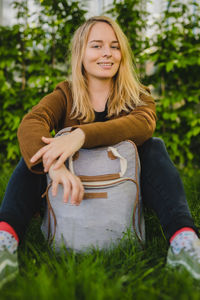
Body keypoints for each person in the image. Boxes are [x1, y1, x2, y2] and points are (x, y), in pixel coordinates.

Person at [0, 16, 200, 289]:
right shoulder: (65, 94)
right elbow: (31, 124)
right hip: (70, 192)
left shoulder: (138, 96)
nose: (107, 52)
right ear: (81, 54)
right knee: (37, 154)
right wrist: (54, 164)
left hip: (123, 192)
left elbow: (143, 124)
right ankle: (5, 240)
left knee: (154, 147)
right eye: (96, 46)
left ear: (122, 54)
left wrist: (80, 135)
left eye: (114, 46)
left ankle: (184, 241)